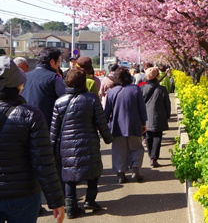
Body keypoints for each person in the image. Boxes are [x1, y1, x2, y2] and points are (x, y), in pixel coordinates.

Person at [0, 56, 65, 223]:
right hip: (24, 194)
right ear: (18, 86)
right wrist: (56, 200)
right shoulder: (31, 115)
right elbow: (43, 161)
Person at [51, 68, 113, 219]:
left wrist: (51, 147)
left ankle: (71, 207)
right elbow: (101, 121)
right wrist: (108, 138)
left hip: (67, 144)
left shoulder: (59, 101)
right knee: (93, 172)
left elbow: (54, 129)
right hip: (89, 140)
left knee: (69, 175)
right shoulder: (91, 99)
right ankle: (90, 201)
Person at [104, 67, 147, 183]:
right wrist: (144, 122)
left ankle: (120, 174)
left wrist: (104, 126)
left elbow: (107, 112)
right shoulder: (135, 89)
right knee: (136, 148)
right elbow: (142, 108)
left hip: (117, 126)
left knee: (119, 150)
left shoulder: (111, 92)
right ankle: (135, 169)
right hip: (134, 124)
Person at [21, 47, 66, 126]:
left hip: (23, 122)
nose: (59, 65)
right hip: (45, 124)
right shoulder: (54, 78)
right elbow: (65, 99)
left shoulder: (24, 76)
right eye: (58, 62)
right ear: (52, 62)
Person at [141, 67, 171, 168]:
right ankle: (154, 158)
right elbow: (167, 104)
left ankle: (151, 155)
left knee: (148, 136)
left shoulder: (142, 88)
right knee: (157, 137)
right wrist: (167, 115)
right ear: (157, 76)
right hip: (159, 116)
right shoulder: (162, 89)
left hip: (146, 117)